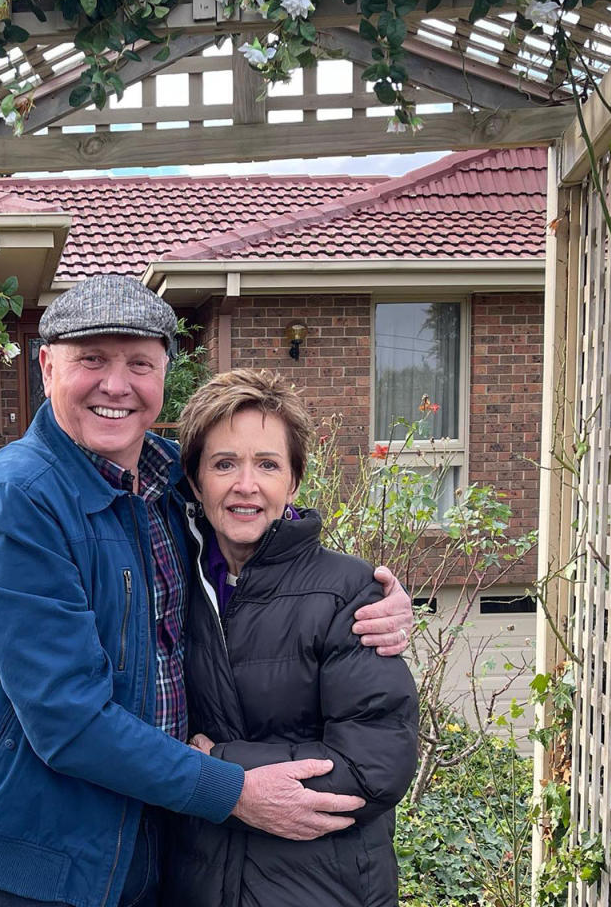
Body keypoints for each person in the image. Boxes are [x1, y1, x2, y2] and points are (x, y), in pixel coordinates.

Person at [0, 274, 414, 907]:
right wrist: (232, 788)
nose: (116, 384)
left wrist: (370, 595)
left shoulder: (164, 485)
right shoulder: (17, 504)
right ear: (47, 366)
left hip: (146, 843)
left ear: (164, 375)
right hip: (37, 861)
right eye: (92, 360)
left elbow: (256, 511)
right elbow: (68, 721)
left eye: (139, 362)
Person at [163, 368, 419, 907]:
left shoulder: (348, 592)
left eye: (268, 464)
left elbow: (374, 767)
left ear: (294, 482)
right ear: (195, 480)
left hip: (322, 885)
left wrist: (222, 764)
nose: (246, 485)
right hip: (198, 879)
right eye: (224, 463)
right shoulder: (171, 584)